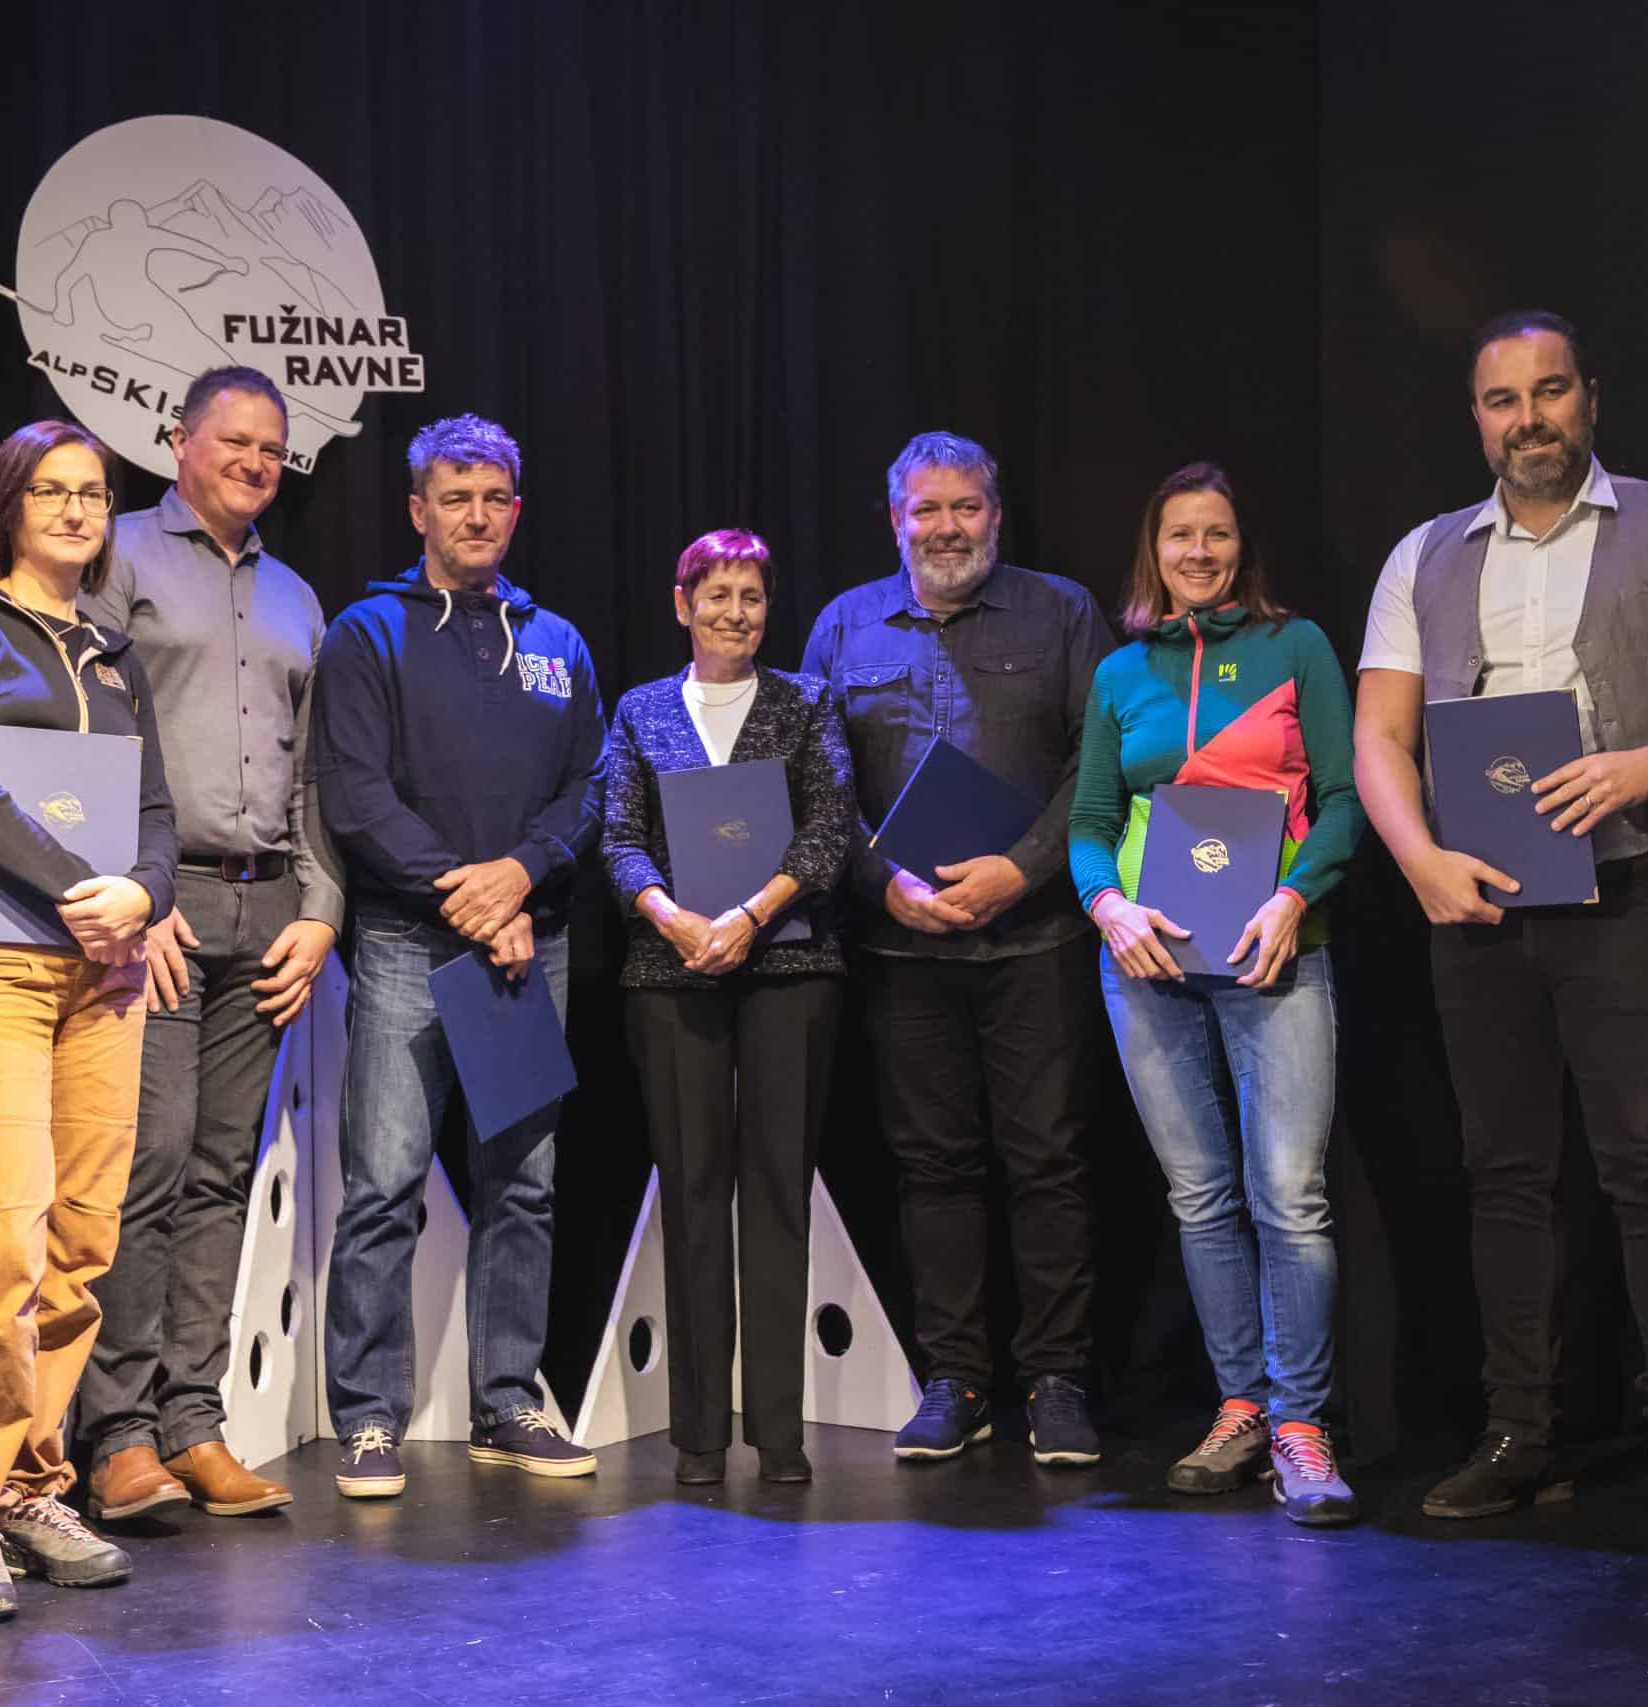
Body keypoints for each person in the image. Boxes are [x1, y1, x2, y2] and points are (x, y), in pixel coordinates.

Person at [1354, 311, 1648, 1568]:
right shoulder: (1423, 555)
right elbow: (1379, 735)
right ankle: (1518, 1437)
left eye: (1548, 392)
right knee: (1503, 1180)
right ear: (1476, 420)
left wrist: (1646, 766)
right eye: (1503, 401)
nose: (1528, 419)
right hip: (1480, 908)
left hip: (1632, 899)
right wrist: (1418, 859)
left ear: (1589, 399)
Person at [0, 420, 178, 1620]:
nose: (75, 510)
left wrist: (143, 894)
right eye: (51, 491)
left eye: (95, 494)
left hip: (103, 970)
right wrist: (82, 887)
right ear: (6, 504)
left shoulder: (114, 651)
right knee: (6, 1237)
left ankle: (29, 1484)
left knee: (79, 1241)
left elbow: (156, 810)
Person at [799, 430, 1108, 1467]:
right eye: (925, 510)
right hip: (903, 950)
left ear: (995, 513)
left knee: (1050, 1162)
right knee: (932, 1166)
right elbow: (818, 784)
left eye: (964, 506)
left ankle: (1058, 1380)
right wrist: (882, 884)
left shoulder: (1061, 611)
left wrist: (1020, 870)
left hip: (1037, 937)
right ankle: (956, 1379)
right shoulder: (843, 625)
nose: (946, 527)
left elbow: (1096, 763)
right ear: (895, 519)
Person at [312, 412, 604, 1497]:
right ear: (417, 511)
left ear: (514, 512)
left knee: (522, 1185)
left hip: (531, 946)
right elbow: (356, 797)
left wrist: (520, 876)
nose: (475, 517)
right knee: (383, 1184)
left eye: (493, 500)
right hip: (407, 943)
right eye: (454, 498)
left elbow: (589, 787)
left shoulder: (558, 641)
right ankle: (367, 1418)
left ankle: (507, 1403)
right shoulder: (367, 633)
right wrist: (475, 898)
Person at [1068, 463, 1366, 1524]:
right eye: (1180, 535)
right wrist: (1107, 906)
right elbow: (1090, 823)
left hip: (1275, 955)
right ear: (1152, 551)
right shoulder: (1120, 672)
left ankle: (1301, 1424)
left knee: (1289, 1196)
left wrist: (1293, 898)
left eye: (1218, 534)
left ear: (1244, 546)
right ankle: (1240, 1407)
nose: (1199, 552)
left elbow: (1344, 800)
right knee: (1199, 1196)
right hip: (1147, 965)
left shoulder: (1298, 647)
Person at [78, 367, 342, 1527]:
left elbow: (315, 770)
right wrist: (137, 890)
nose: (254, 461)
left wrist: (321, 911)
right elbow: (83, 723)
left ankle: (192, 1422)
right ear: (178, 440)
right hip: (162, 906)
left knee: (222, 1172)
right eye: (233, 440)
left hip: (264, 912)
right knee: (148, 1163)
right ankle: (118, 1436)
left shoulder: (296, 595)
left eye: (272, 448)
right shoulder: (120, 556)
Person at [601, 529, 858, 1486]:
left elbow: (830, 827)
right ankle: (700, 1435)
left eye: (751, 596)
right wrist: (671, 917)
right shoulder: (640, 710)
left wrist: (751, 917)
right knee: (694, 1191)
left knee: (779, 1190)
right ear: (683, 604)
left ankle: (780, 1433)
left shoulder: (806, 701)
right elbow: (618, 835)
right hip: (672, 969)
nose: (734, 613)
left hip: (789, 966)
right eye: (716, 595)